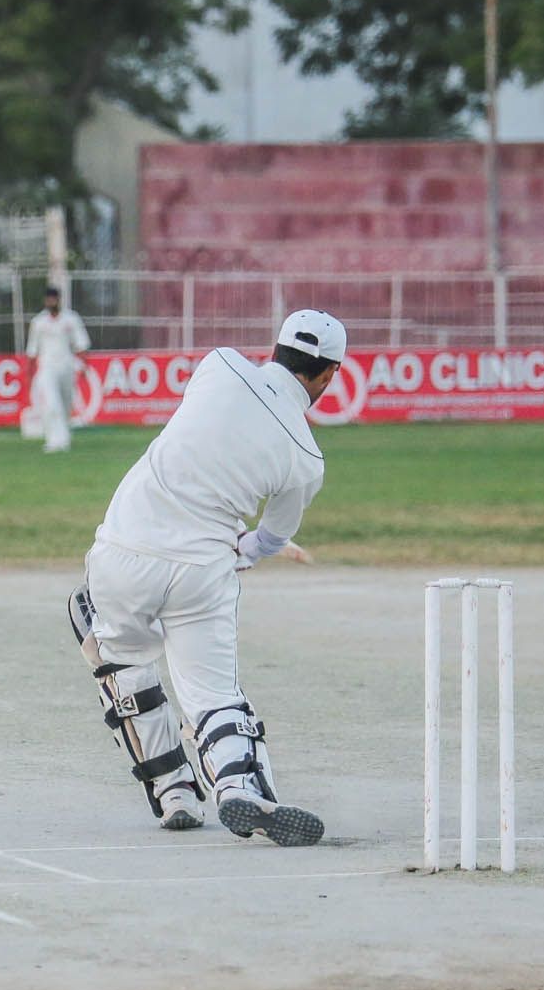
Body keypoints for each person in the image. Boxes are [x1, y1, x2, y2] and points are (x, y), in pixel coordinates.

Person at [66, 309, 344, 847]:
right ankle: (239, 785)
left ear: (277, 347)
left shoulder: (220, 365)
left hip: (123, 550)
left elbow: (204, 437)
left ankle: (172, 790)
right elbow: (269, 538)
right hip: (203, 568)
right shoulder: (307, 458)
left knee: (117, 658)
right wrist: (244, 548)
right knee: (214, 697)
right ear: (330, 373)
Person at [24, 286, 91, 453]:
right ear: (45, 301)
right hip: (47, 367)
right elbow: (32, 350)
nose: (51, 302)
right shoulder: (39, 322)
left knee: (66, 404)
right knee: (52, 404)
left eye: (54, 299)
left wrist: (83, 366)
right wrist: (29, 373)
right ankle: (55, 441)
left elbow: (81, 344)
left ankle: (63, 435)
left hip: (67, 366)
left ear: (59, 300)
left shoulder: (71, 319)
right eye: (49, 299)